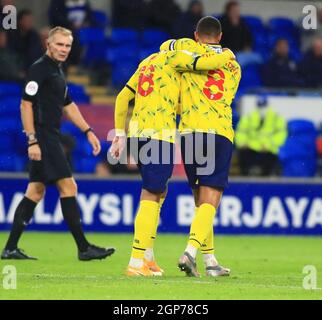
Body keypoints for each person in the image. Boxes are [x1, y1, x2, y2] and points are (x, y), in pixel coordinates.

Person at [110, 44, 235, 276]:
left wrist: (119, 133)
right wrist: (226, 54)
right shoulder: (177, 58)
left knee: (159, 191)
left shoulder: (147, 62)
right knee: (151, 193)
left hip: (138, 133)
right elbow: (206, 64)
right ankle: (136, 262)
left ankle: (148, 258)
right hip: (158, 135)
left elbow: (123, 96)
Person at [1, 27, 115, 261]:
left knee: (35, 191)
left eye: (67, 46)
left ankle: (10, 247)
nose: (64, 49)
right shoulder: (39, 69)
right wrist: (32, 140)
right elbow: (26, 105)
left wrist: (88, 130)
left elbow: (68, 104)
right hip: (43, 136)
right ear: (48, 44)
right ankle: (83, 248)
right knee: (68, 187)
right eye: (59, 45)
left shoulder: (56, 71)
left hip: (49, 134)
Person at [160, 16, 241, 277]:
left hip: (190, 133)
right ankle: (190, 253)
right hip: (218, 131)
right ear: (219, 36)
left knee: (199, 200)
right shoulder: (233, 65)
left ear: (196, 35)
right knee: (211, 198)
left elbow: (164, 49)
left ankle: (210, 262)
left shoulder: (186, 50)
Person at [235, 96, 287, 176]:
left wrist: (268, 145)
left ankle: (266, 177)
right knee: (243, 155)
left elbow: (281, 135)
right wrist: (242, 143)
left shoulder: (276, 118)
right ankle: (246, 176)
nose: (262, 109)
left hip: (268, 149)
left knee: (269, 160)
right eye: (260, 106)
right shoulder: (249, 117)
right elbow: (241, 131)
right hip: (251, 147)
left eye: (264, 106)